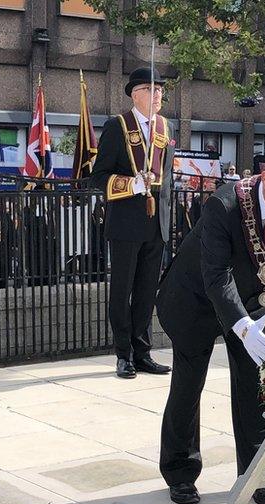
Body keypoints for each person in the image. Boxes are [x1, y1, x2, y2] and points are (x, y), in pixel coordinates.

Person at [157, 145, 265, 504]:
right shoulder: (225, 206)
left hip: (256, 303)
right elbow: (216, 277)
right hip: (195, 301)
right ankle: (180, 472)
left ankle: (254, 474)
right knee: (189, 385)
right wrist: (242, 326)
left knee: (255, 391)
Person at [90, 67, 173, 379]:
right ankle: (123, 355)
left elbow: (168, 179)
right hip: (126, 221)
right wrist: (133, 184)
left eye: (161, 91)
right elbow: (98, 177)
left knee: (146, 291)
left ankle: (143, 353)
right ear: (136, 94)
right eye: (152, 90)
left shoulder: (166, 127)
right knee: (122, 290)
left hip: (156, 223)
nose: (158, 96)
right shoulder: (117, 126)